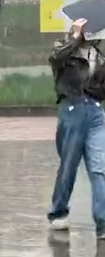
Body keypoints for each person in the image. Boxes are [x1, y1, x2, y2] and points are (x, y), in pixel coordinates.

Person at [48, 18, 105, 238]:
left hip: (95, 113)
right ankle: (57, 212)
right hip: (71, 109)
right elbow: (55, 59)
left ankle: (102, 221)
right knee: (69, 166)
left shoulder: (98, 56)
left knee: (99, 168)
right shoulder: (63, 49)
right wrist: (74, 37)